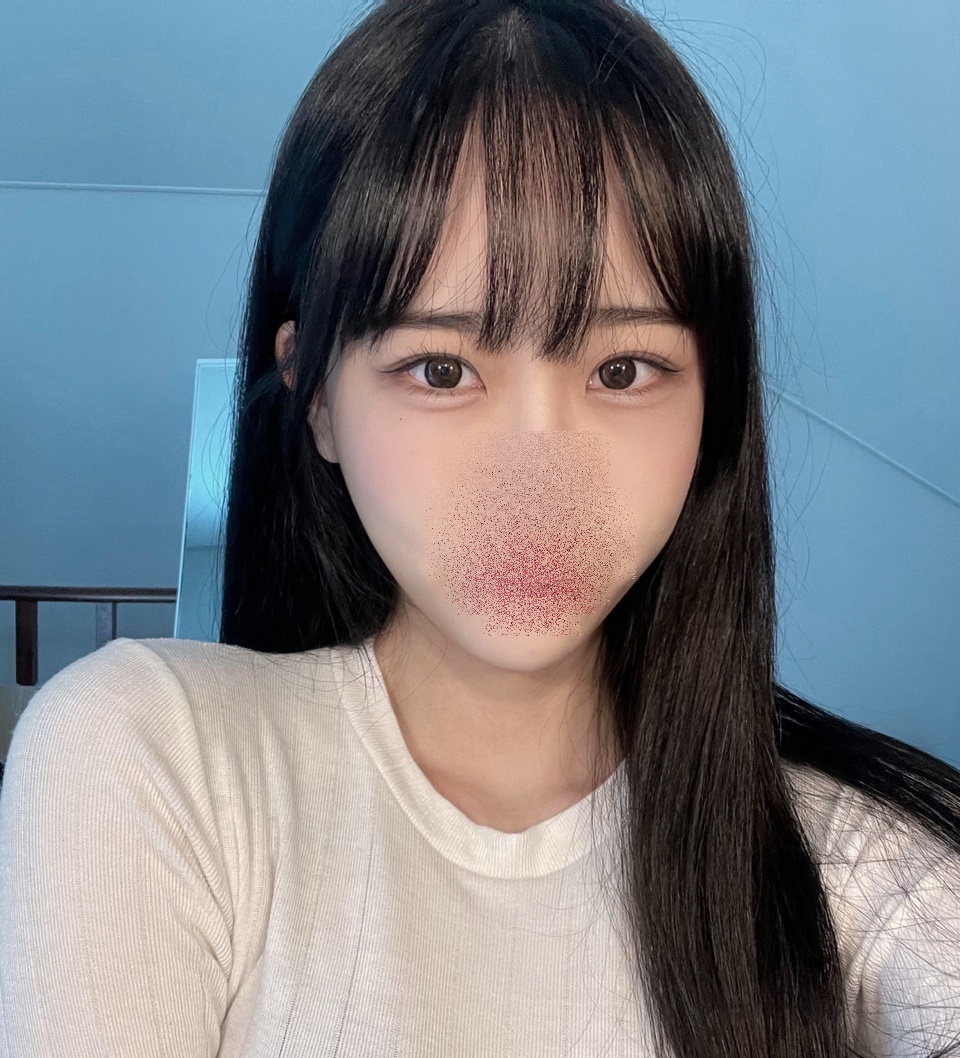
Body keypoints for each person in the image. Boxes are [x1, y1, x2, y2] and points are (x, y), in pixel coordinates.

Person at [2, 1, 958, 1055]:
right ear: (316, 396)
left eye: (623, 369)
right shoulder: (157, 757)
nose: (536, 476)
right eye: (442, 369)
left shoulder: (866, 870)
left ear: (712, 403)